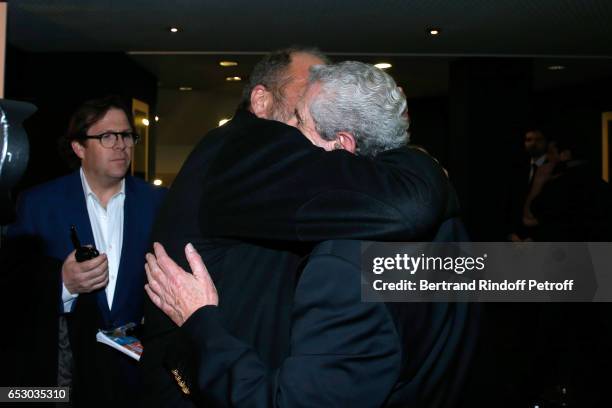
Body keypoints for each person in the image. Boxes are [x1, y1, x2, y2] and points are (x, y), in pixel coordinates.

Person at [142, 60, 475, 407]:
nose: (289, 131)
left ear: (342, 143)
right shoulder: (452, 228)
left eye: (299, 121)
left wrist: (200, 321)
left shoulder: (340, 266)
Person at [7, 95, 167, 406]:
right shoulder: (39, 204)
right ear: (79, 148)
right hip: (66, 377)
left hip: (138, 376)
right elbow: (14, 294)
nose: (121, 145)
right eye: (107, 136)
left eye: (126, 135)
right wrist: (64, 284)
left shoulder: (158, 203)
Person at [508, 128, 549, 242]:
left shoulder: (553, 168)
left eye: (538, 140)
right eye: (529, 140)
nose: (533, 144)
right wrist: (511, 233)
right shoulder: (518, 170)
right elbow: (512, 203)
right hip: (517, 237)